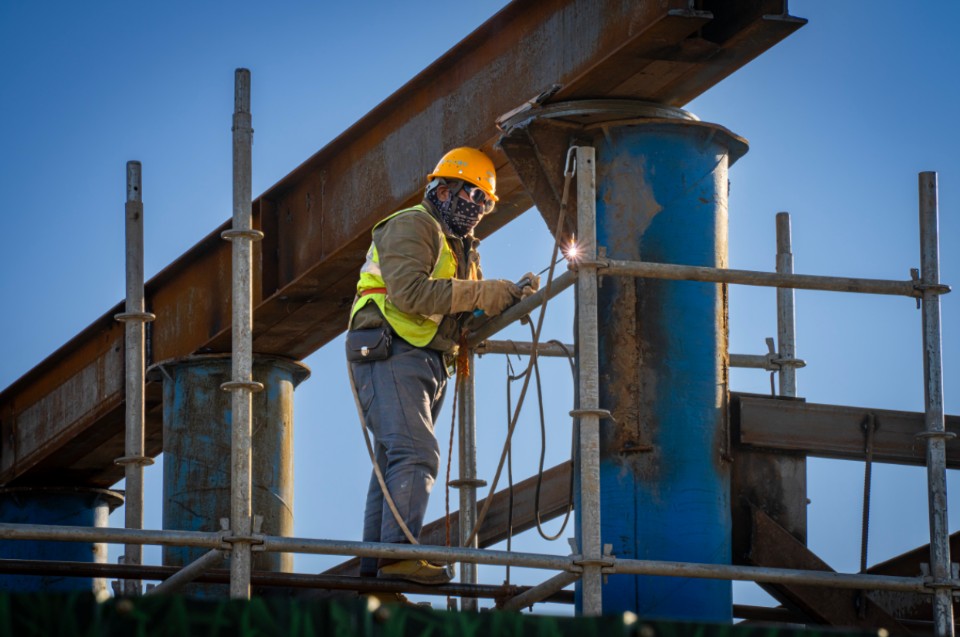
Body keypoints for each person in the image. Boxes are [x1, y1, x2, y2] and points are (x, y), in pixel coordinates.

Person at [346, 147, 539, 586]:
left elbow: (460, 314)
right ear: (443, 188)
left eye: (485, 204)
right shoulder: (413, 224)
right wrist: (481, 292)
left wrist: (505, 298)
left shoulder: (464, 251)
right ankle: (397, 560)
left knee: (393, 463)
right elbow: (410, 293)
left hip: (427, 360)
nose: (477, 209)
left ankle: (376, 575)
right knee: (416, 453)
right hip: (390, 349)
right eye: (471, 196)